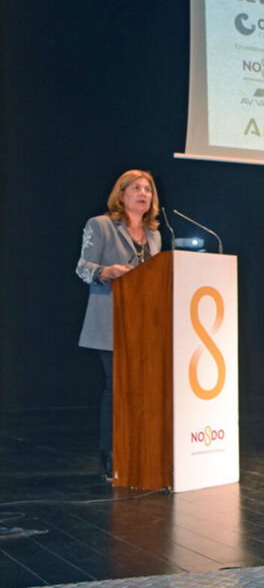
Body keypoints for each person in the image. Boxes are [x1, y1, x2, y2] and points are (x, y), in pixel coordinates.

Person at [76, 170, 162, 480]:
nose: (144, 193)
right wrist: (106, 271)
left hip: (144, 324)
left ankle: (139, 449)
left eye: (148, 189)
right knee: (117, 386)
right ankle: (110, 454)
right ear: (121, 194)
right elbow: (82, 267)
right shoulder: (100, 225)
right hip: (110, 319)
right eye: (136, 188)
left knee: (142, 389)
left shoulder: (155, 235)